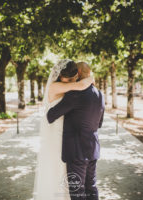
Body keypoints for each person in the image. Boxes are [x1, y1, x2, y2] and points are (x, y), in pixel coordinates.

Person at [33, 59, 95, 200]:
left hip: (65, 133)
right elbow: (81, 85)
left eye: (73, 78)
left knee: (66, 171)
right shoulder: (56, 86)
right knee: (57, 167)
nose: (71, 81)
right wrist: (91, 77)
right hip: (55, 132)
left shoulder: (67, 85)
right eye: (69, 78)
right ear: (60, 76)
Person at [47, 62, 105, 200]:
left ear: (78, 72)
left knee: (77, 191)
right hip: (93, 148)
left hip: (76, 151)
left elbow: (51, 116)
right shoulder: (99, 94)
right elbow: (100, 123)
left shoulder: (75, 94)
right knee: (91, 188)